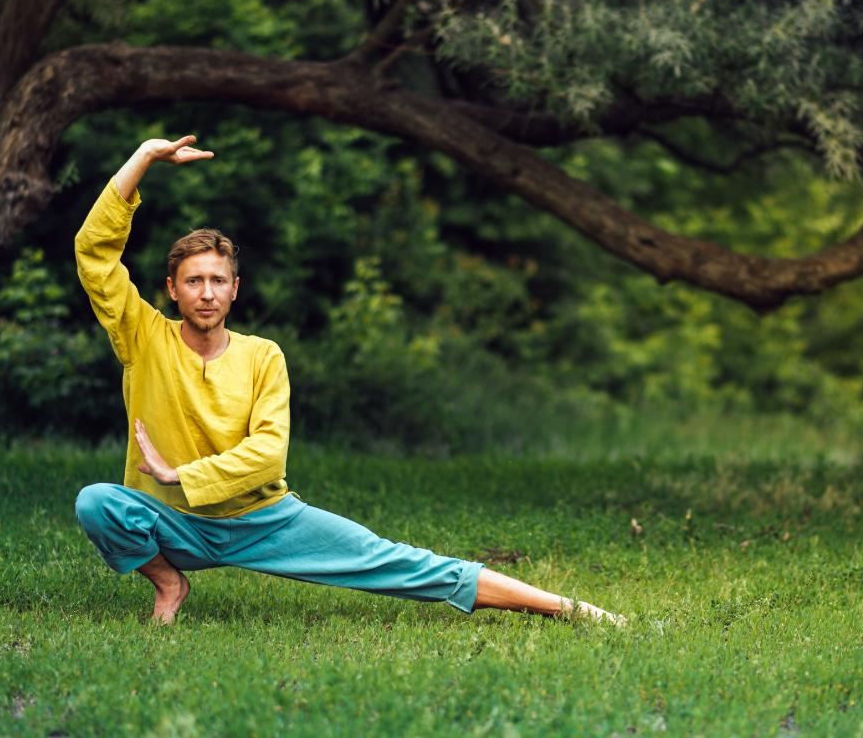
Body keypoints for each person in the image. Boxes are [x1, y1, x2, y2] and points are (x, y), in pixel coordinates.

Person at [72, 135, 625, 627]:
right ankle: (169, 581)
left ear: (235, 289)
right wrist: (144, 156)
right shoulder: (143, 337)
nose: (207, 292)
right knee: (97, 502)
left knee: (399, 562)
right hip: (175, 522)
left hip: (263, 518)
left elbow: (268, 455)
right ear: (172, 289)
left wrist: (182, 473)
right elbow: (94, 255)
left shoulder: (264, 356)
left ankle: (568, 608)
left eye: (218, 280)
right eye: (194, 281)